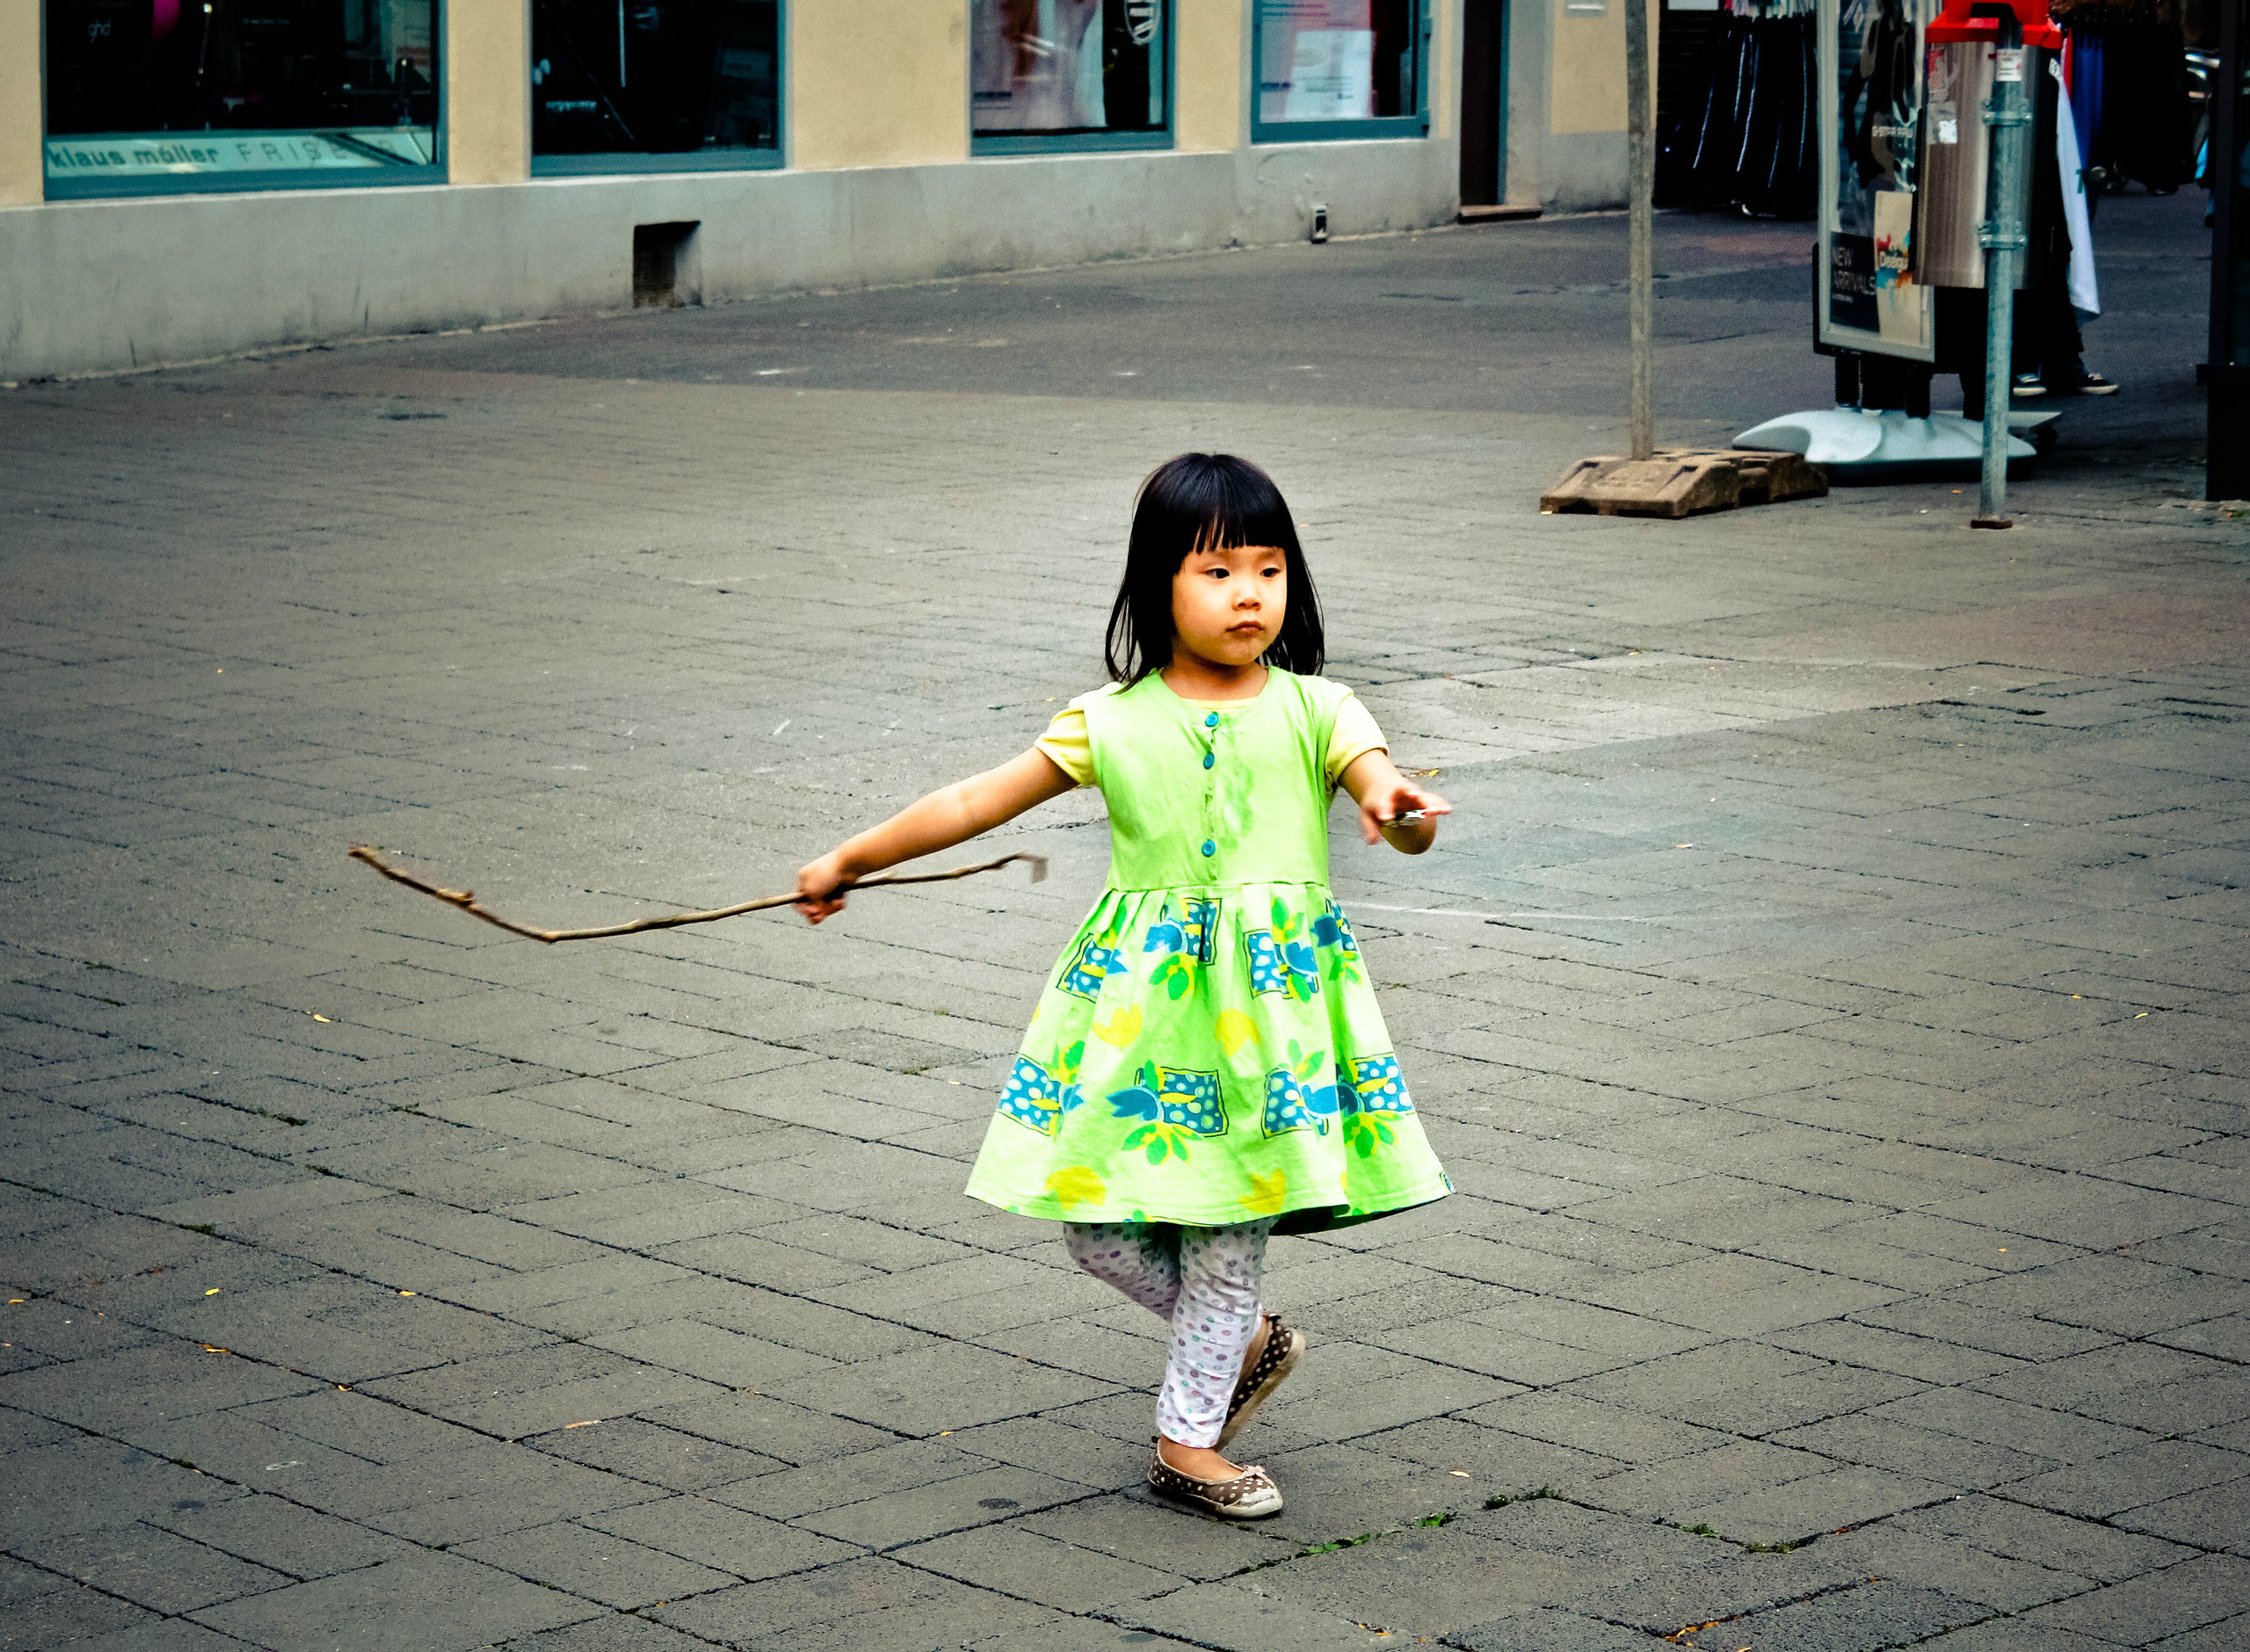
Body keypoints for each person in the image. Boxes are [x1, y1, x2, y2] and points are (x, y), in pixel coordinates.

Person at [795, 453, 1454, 1519]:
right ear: (1157, 586)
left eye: (1270, 568)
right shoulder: (1107, 719)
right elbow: (972, 800)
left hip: (1270, 1027)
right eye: (1217, 570)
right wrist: (851, 859)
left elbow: (1388, 793)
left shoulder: (1319, 707)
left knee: (1230, 1224)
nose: (1250, 594)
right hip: (1141, 1022)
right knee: (1094, 1226)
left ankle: (1185, 1442)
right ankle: (1234, 1334)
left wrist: (1401, 808)